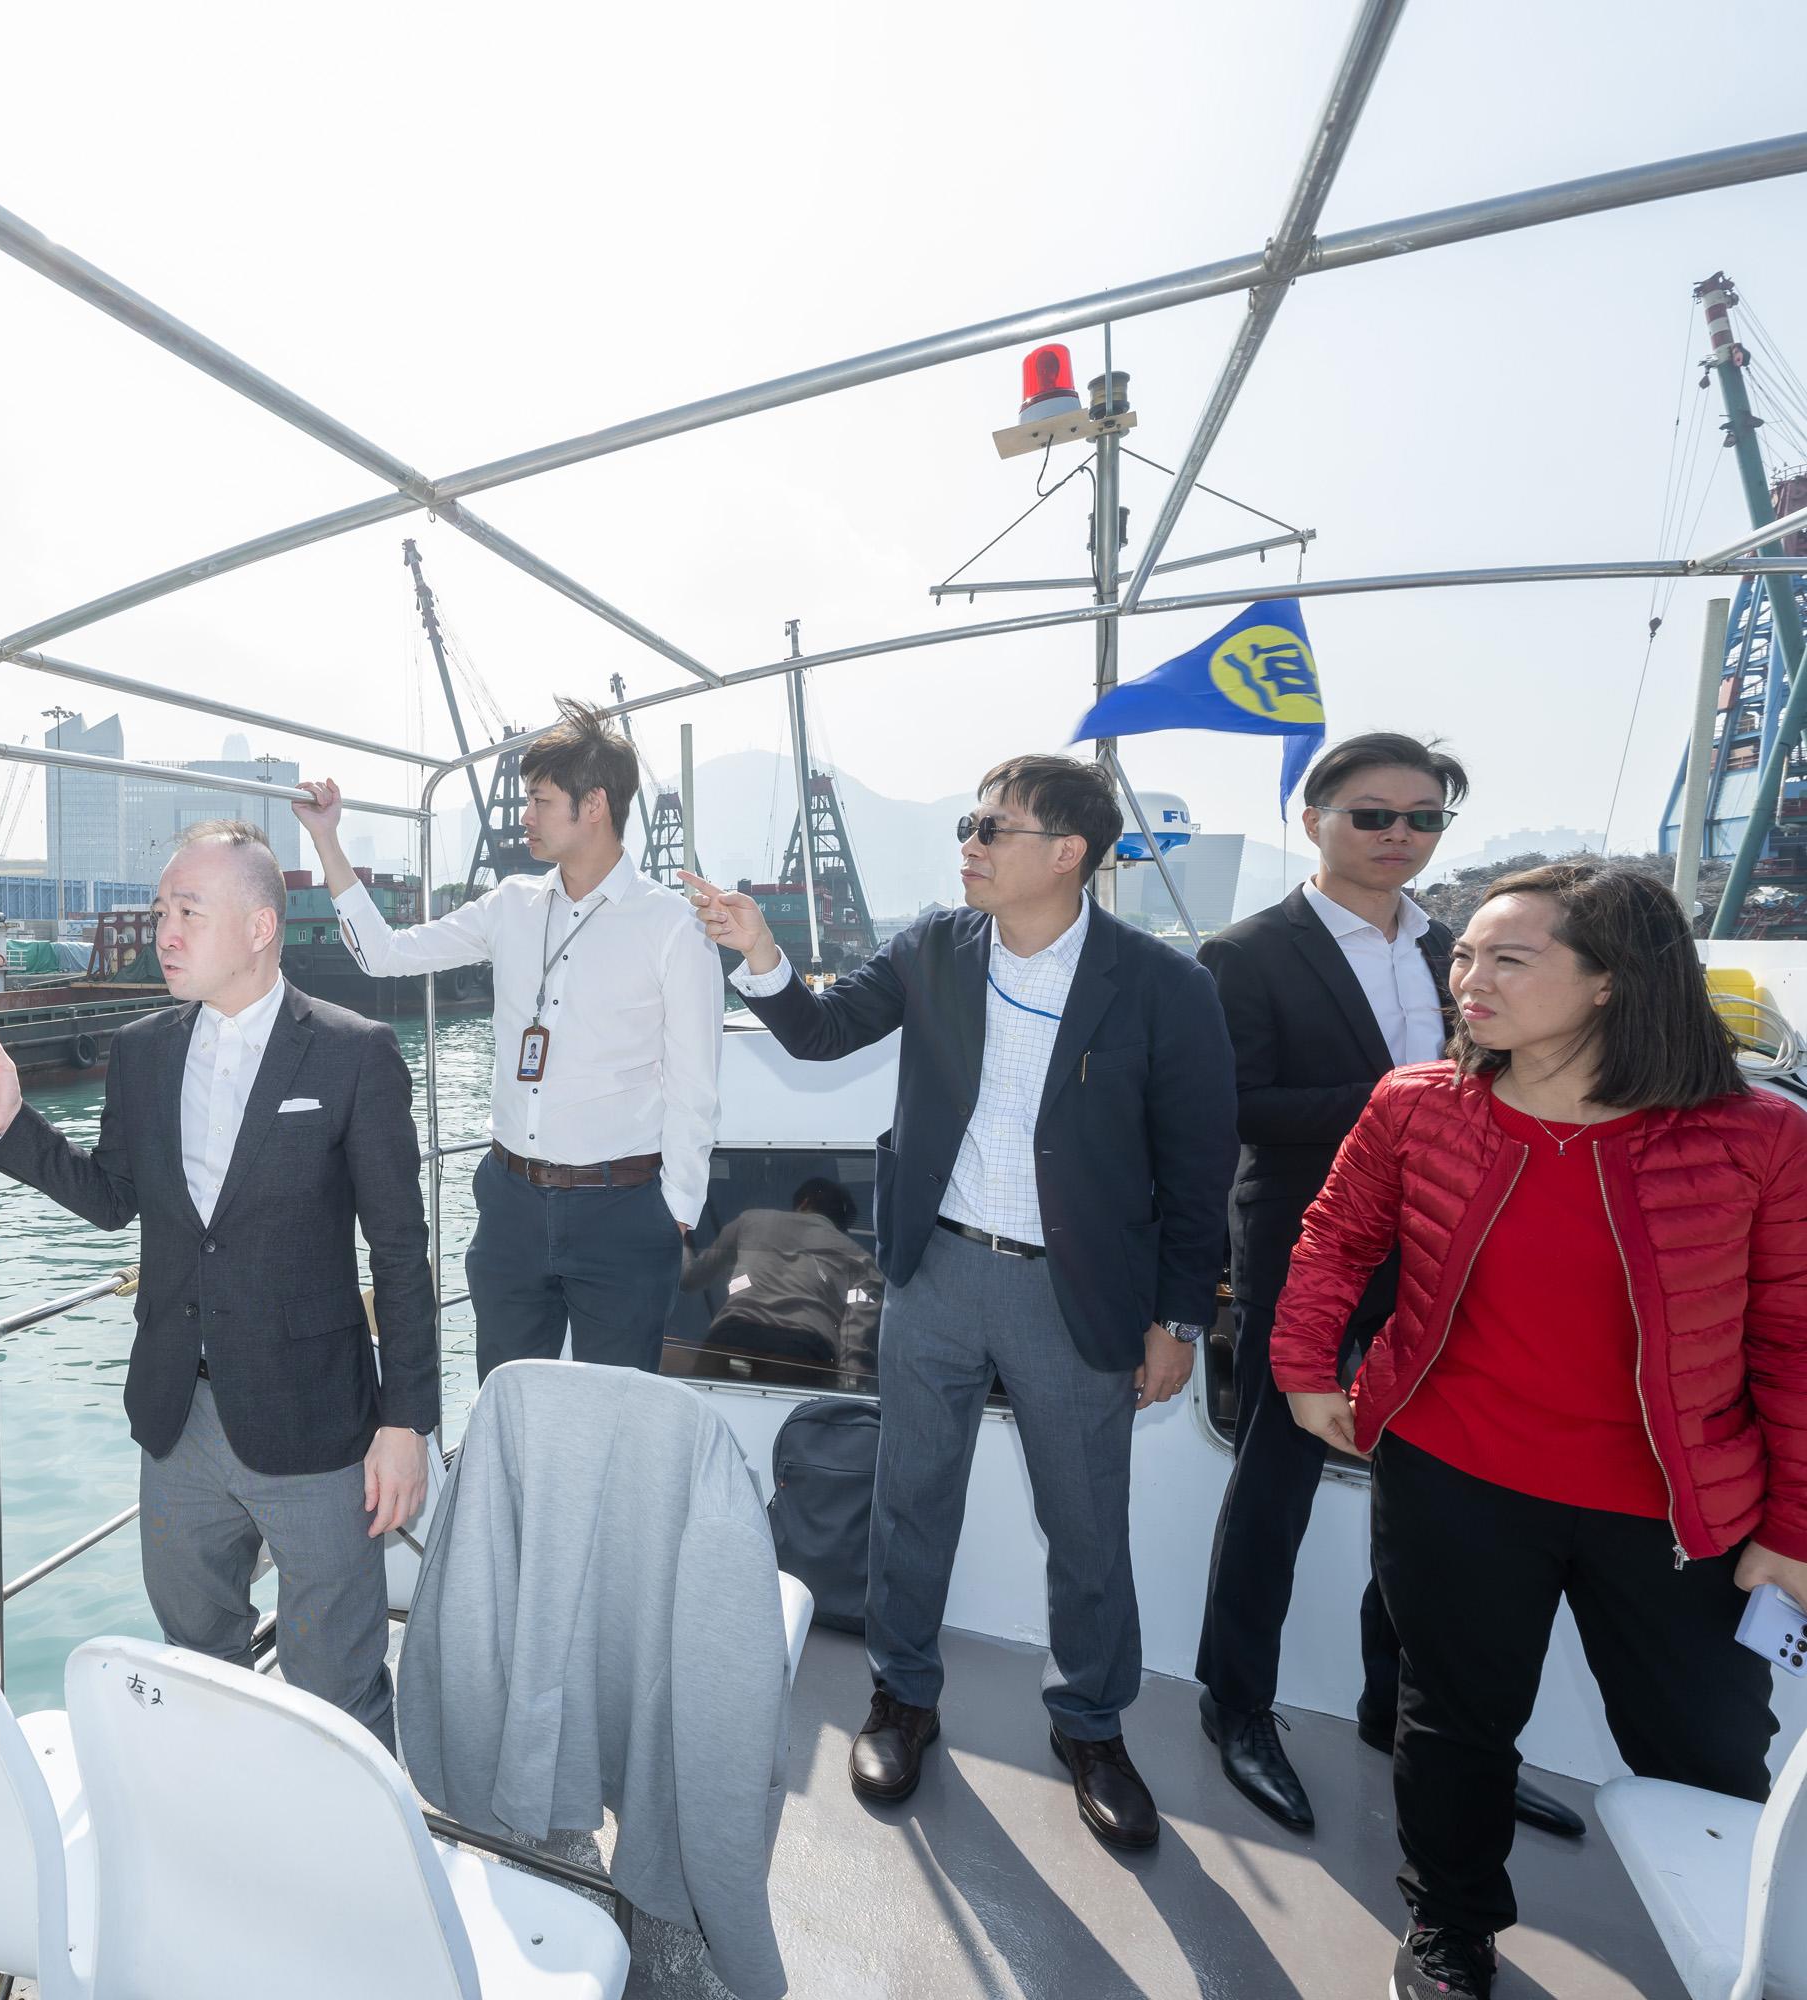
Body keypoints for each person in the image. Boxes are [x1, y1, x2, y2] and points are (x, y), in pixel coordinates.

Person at [685, 752, 1235, 1853]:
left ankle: (1089, 1724)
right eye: (969, 825)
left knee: (1085, 1522)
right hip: (934, 1273)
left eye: (994, 827)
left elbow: (1196, 1159)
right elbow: (821, 1031)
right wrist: (760, 952)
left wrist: (1177, 1318)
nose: (969, 844)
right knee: (910, 1497)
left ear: (1069, 852)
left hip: (1074, 1291)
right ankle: (902, 1697)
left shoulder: (1164, 985)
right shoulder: (934, 944)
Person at [1277, 862, 1807, 2000]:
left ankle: (1758, 1955)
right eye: (1465, 953)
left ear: (1614, 981)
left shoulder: (1757, 1136)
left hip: (1674, 1509)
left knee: (1708, 1748)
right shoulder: (1414, 1101)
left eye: (1508, 958)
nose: (1469, 976)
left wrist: (1797, 1525)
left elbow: (1794, 1337)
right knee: (1456, 1722)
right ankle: (1450, 1927)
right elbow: (1335, 1237)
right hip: (1453, 1477)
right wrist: (1303, 1364)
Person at [0, 819, 438, 1749]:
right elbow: (113, 1198)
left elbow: (401, 1253)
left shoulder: (351, 1052)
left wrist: (406, 1423)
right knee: (195, 1656)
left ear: (259, 928)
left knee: (337, 1683)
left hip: (317, 1422)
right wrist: (14, 1125)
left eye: (187, 912)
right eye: (160, 911)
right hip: (179, 1419)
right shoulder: (144, 1051)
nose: (163, 932)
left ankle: (357, 1878)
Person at [1188, 734, 1580, 1843]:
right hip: (1311, 1244)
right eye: (1372, 815)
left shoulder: (1456, 947)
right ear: (1311, 818)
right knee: (1276, 1477)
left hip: (1450, 1249)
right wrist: (1399, 1099)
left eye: (1423, 818)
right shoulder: (1246, 951)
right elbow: (1241, 1105)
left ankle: (1396, 1711)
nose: (1399, 836)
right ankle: (1238, 1704)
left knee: (1441, 1491)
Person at [294, 698, 722, 1378]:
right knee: (505, 1409)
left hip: (624, 1213)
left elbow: (696, 1085)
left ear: (595, 806)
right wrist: (326, 840)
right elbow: (384, 954)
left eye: (540, 800)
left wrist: (675, 1213)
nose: (524, 816)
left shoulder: (674, 927)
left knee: (612, 1423)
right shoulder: (509, 907)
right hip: (512, 1206)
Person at [677, 1175, 884, 1374]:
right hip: (803, 1350)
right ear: (842, 1225)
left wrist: (680, 1233)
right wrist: (850, 1377)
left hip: (731, 1337)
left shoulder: (750, 1221)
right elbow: (857, 1326)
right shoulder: (859, 1257)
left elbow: (689, 1278)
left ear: (804, 1202)